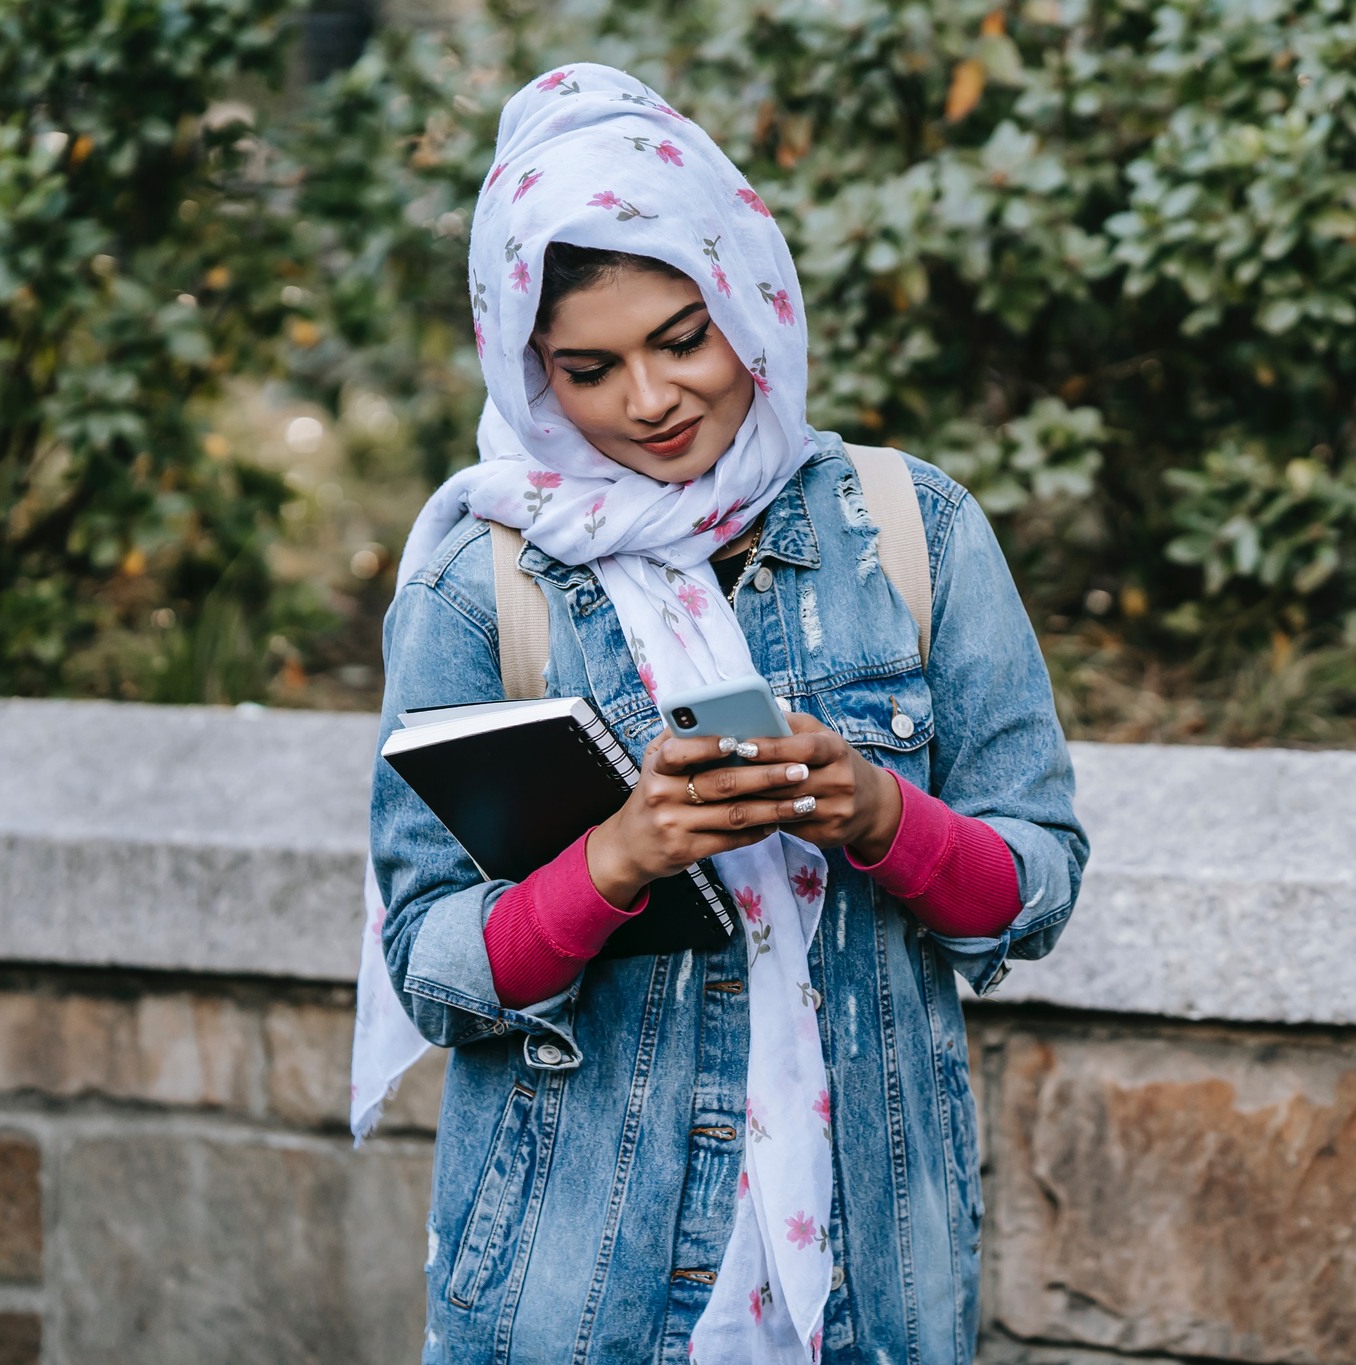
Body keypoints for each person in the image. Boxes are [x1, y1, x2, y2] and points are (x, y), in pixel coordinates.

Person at [358, 62, 1086, 1364]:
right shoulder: (484, 588)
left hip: (874, 1281)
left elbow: (1032, 887)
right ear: (529, 367)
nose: (649, 399)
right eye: (590, 366)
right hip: (578, 1291)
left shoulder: (912, 533)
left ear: (750, 296)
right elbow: (434, 968)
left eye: (681, 338)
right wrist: (616, 861)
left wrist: (875, 812)